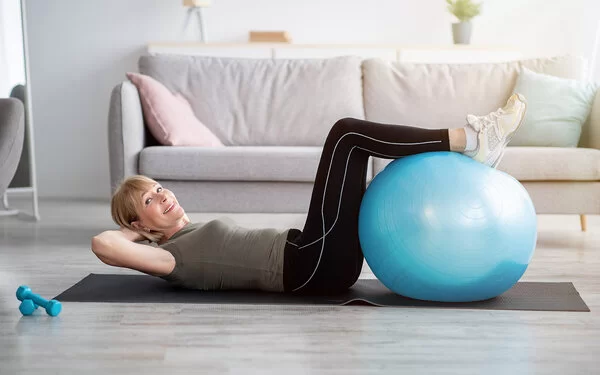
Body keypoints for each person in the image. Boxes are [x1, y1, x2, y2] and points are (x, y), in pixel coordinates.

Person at [91, 93, 527, 295]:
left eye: (159, 188)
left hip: (310, 251)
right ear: (138, 223)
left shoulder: (186, 235)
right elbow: (102, 245)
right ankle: (471, 138)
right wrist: (142, 237)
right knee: (348, 134)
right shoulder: (171, 259)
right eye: (149, 201)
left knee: (350, 138)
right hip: (311, 268)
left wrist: (146, 225)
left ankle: (471, 142)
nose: (163, 195)